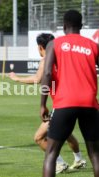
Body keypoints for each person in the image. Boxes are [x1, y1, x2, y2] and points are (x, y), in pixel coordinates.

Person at [9, 33, 86, 174]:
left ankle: (59, 163)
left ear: (40, 47)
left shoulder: (46, 60)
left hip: (62, 104)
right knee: (67, 133)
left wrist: (17, 78)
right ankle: (79, 159)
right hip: (78, 102)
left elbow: (38, 79)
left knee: (39, 137)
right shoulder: (64, 58)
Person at [40, 10, 99, 177]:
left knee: (51, 154)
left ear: (64, 26)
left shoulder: (55, 44)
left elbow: (47, 74)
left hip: (65, 102)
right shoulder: (93, 46)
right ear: (81, 26)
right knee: (95, 154)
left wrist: (43, 104)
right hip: (89, 103)